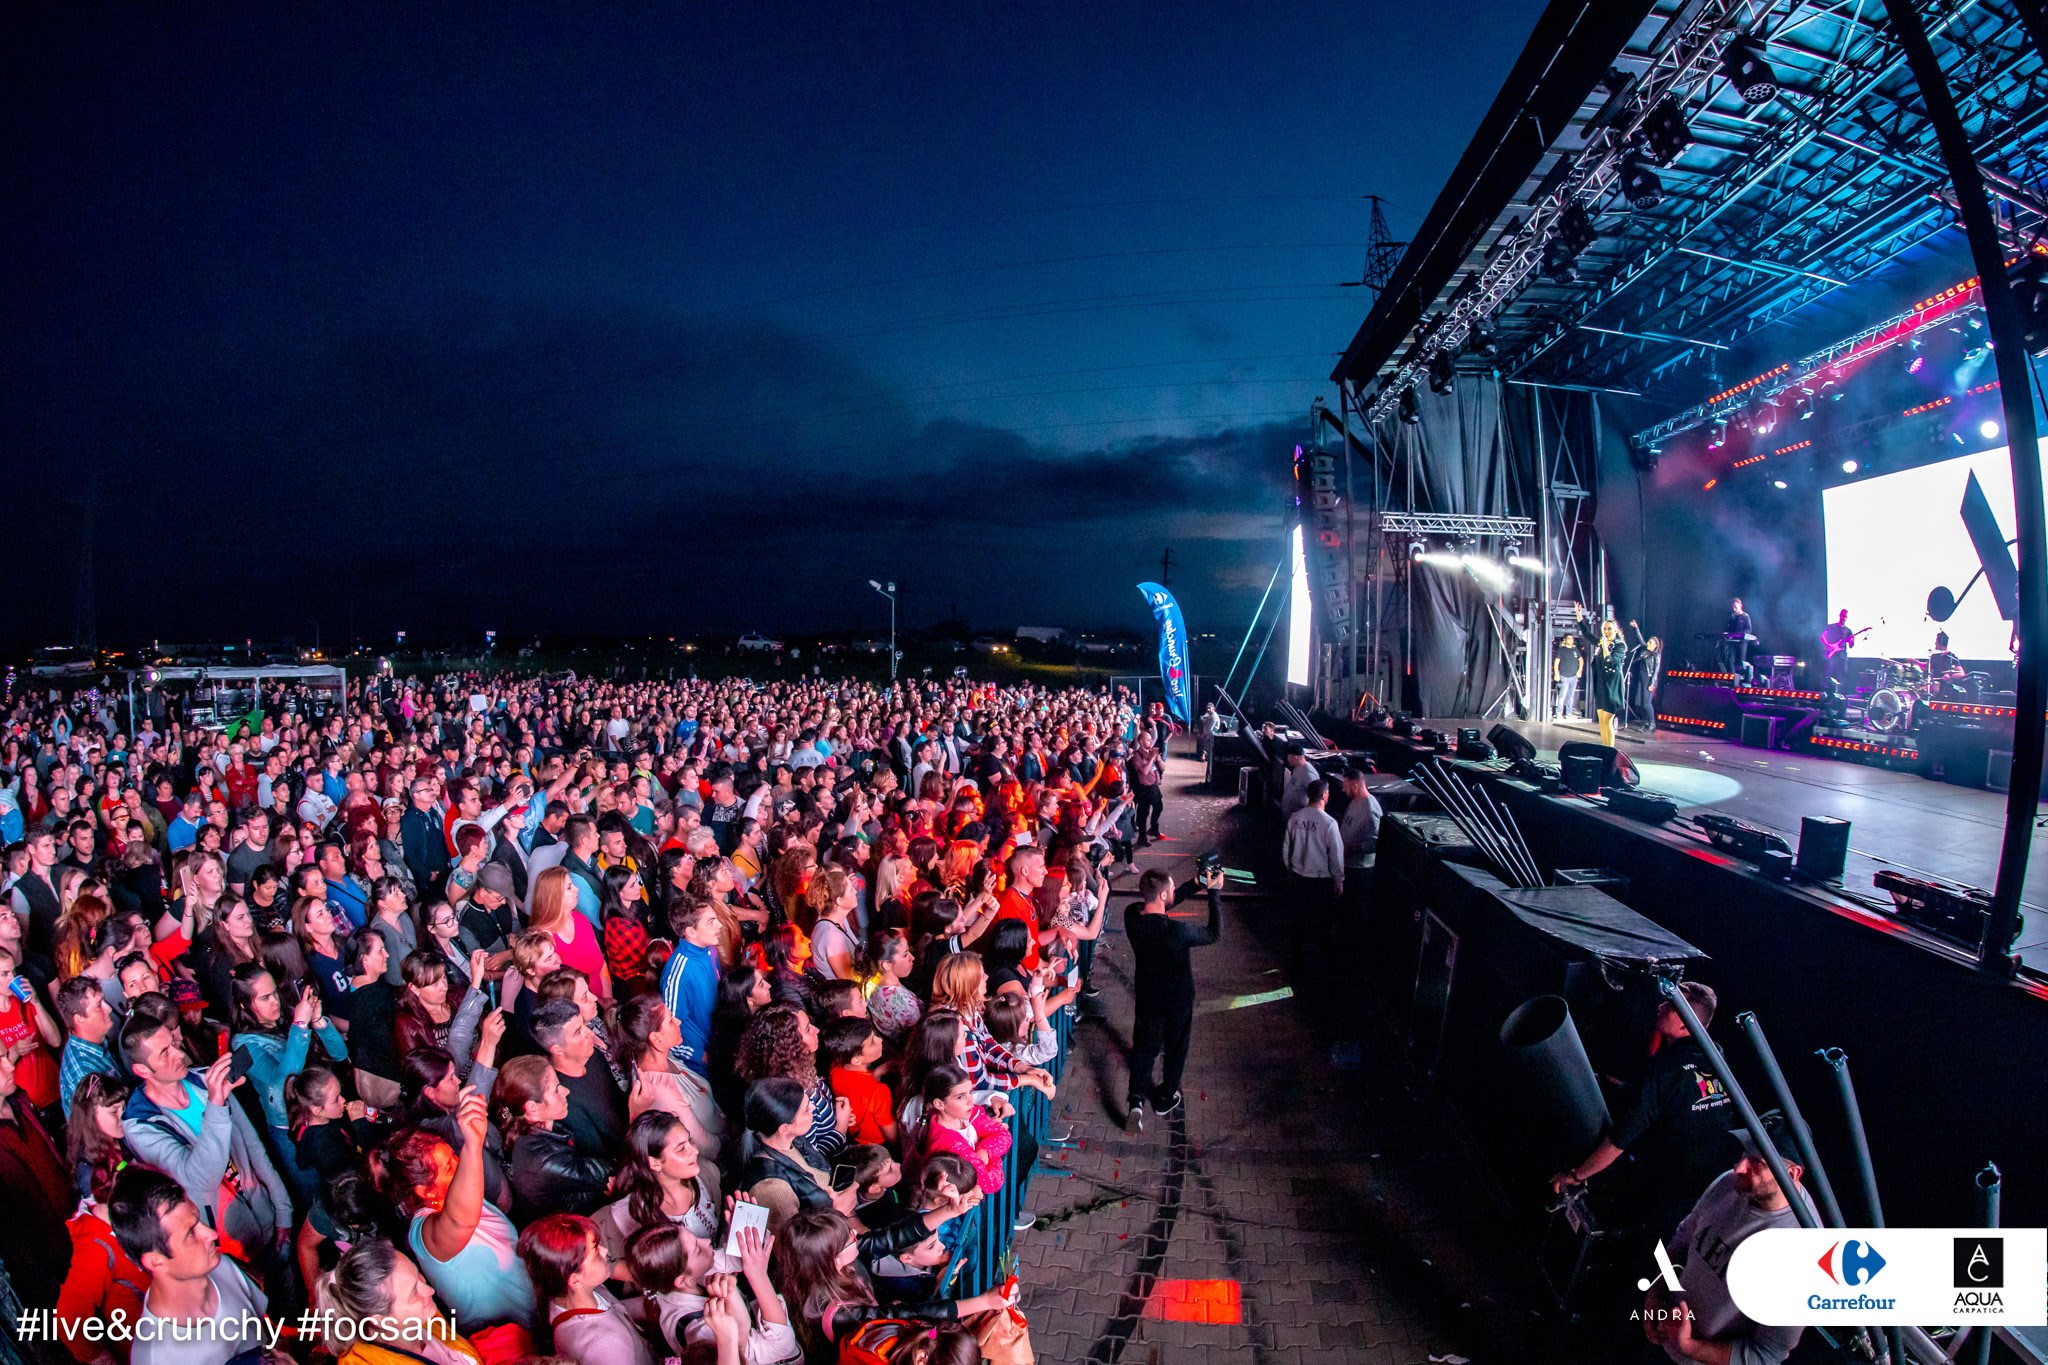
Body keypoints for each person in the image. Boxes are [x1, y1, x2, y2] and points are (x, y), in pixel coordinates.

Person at [1550, 981, 1736, 1238]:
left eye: (1670, 1006)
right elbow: (1680, 1093)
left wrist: (1576, 1175)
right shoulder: (1715, 1054)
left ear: (1685, 1024)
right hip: (1715, 1181)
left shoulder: (1667, 1069)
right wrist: (1625, 1087)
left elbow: (1619, 1139)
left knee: (1656, 1245)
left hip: (1675, 1187)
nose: (1660, 1007)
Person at [119, 1017, 294, 1269]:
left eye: (174, 1043)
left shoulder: (203, 1079)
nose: (179, 1054)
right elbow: (200, 1180)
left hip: (265, 1214)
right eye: (164, 1052)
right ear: (142, 1070)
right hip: (226, 1246)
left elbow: (254, 1148)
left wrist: (283, 1209)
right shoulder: (142, 1125)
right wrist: (215, 1104)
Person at [1644, 1113, 1815, 1365]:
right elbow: (1682, 1240)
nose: (1739, 1168)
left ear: (1791, 1174)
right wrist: (1656, 1294)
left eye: (1757, 1162)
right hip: (1661, 1340)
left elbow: (1765, 1355)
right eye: (1745, 1152)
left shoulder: (1801, 1254)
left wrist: (1689, 1346)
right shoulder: (1730, 1184)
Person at [384, 1090, 538, 1336]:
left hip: (535, 1313)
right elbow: (460, 1222)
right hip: (510, 1339)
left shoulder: (461, 1194)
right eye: (448, 1167)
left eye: (454, 1155)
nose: (458, 1164)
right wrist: (472, 1146)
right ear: (425, 1190)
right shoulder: (422, 1233)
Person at [108, 1166, 272, 1365]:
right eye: (191, 1233)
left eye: (198, 1219)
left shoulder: (224, 1266)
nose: (211, 1234)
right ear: (155, 1261)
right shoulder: (156, 1358)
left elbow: (267, 1339)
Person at [1124, 863, 1223, 1132]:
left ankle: (1135, 1101)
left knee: (1144, 1048)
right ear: (1164, 895)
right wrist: (1214, 892)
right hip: (1177, 999)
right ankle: (1165, 1097)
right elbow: (1214, 933)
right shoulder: (1178, 931)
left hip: (1148, 996)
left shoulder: (1132, 916)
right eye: (1171, 888)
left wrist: (1196, 883)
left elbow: (1161, 903)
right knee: (1176, 1047)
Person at [517, 1211, 654, 1365]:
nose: (605, 1251)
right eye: (596, 1252)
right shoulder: (606, 1344)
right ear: (575, 1280)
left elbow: (612, 1307)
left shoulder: (571, 1293)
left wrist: (649, 1306)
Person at [533, 995, 628, 1161]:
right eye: (578, 1032)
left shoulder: (593, 1057)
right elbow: (599, 1156)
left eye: (584, 1024)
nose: (589, 1033)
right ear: (557, 1049)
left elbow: (619, 1102)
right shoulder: (563, 1098)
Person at [1280, 780, 1343, 980]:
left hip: (1299, 879)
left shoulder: (1295, 818)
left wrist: (1290, 870)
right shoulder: (1329, 823)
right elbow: (1335, 856)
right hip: (1320, 882)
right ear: (1324, 796)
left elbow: (1286, 849)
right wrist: (1338, 880)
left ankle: (1296, 963)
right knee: (1322, 925)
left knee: (1298, 922)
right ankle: (1322, 967)